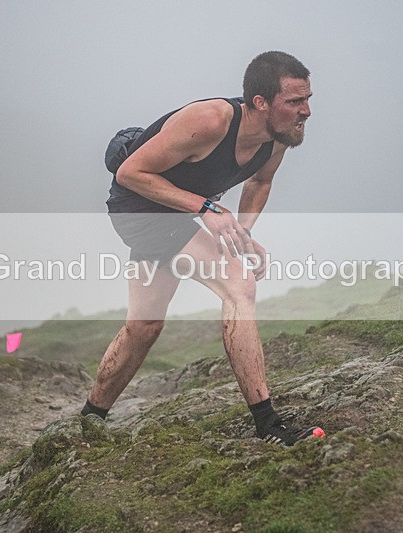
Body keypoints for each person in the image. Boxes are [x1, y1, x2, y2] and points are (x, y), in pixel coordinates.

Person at [81, 51, 325, 446]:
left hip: (179, 214)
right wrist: (206, 209)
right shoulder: (210, 120)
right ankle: (268, 425)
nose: (307, 111)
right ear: (261, 102)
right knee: (239, 285)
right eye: (295, 101)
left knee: (144, 326)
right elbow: (129, 173)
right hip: (139, 208)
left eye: (308, 99)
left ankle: (89, 420)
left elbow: (259, 182)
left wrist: (241, 234)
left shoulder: (276, 138)